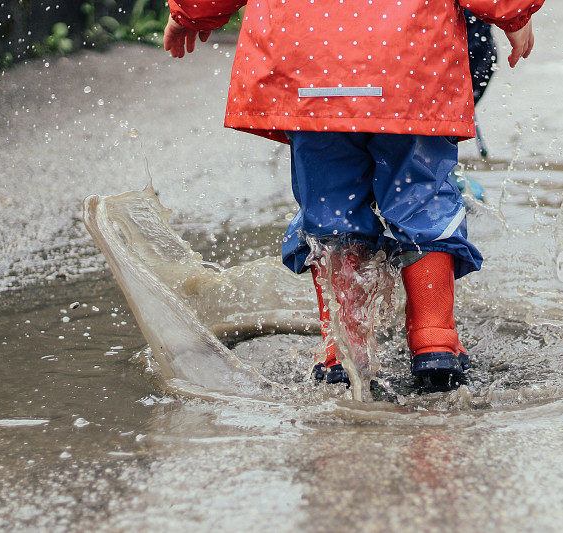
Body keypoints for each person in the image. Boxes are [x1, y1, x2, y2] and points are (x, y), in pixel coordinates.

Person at [164, 0, 543, 387]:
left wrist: (190, 13)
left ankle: (345, 349)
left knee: (331, 206)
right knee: (420, 197)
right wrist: (514, 14)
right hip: (409, 67)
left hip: (308, 69)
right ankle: (434, 338)